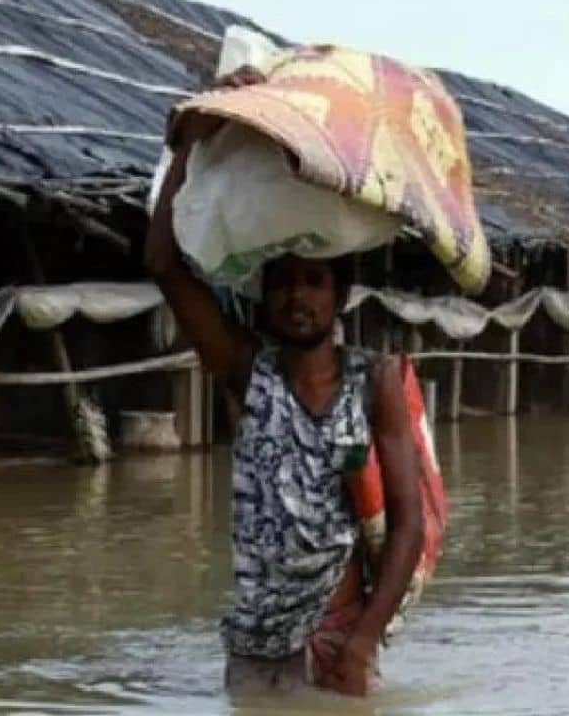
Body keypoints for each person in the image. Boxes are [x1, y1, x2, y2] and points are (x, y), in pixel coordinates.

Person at [145, 69, 425, 698]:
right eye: (284, 281)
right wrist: (191, 139)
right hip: (252, 644)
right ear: (265, 295)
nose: (297, 294)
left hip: (334, 640)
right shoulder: (248, 371)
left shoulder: (372, 381)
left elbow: (407, 526)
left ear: (340, 296)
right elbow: (163, 264)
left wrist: (362, 642)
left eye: (314, 281)